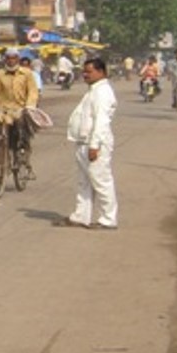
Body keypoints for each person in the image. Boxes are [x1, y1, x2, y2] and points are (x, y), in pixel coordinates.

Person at [60, 57, 118, 230]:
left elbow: (102, 121)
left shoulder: (103, 92)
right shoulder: (93, 90)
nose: (85, 75)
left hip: (95, 143)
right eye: (84, 71)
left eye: (89, 72)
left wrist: (95, 145)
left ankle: (108, 219)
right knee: (84, 182)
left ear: (101, 72)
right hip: (83, 142)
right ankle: (81, 216)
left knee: (101, 181)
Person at [0, 47, 40, 176]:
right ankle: (1, 169)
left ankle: (23, 158)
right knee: (2, 139)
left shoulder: (27, 74)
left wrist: (30, 105)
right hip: (4, 110)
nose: (11, 61)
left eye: (13, 58)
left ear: (18, 59)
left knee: (22, 135)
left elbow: (33, 91)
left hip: (21, 109)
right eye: (8, 58)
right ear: (5, 59)